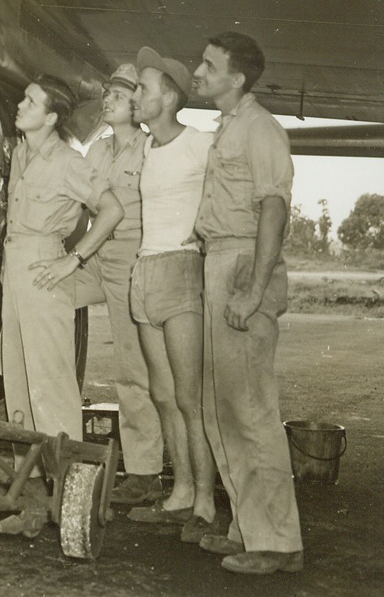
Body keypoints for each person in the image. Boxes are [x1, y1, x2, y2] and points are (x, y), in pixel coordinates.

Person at [191, 32, 303, 575]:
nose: (198, 72)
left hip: (242, 263)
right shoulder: (229, 128)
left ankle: (278, 543)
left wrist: (254, 290)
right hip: (220, 259)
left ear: (236, 78)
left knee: (251, 409)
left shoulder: (260, 128)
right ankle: (248, 528)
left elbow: (273, 208)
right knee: (223, 408)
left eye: (209, 66)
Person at [0, 75, 124, 458]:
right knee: (18, 384)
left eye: (31, 102)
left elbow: (112, 210)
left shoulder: (68, 163)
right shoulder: (21, 154)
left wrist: (73, 260)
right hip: (14, 274)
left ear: (51, 118)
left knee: (51, 386)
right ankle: (30, 478)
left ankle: (68, 481)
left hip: (43, 274)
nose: (20, 106)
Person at [126, 47, 217, 543]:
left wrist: (205, 227)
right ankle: (181, 492)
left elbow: (233, 188)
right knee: (162, 395)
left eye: (143, 88)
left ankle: (205, 501)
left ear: (169, 97)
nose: (136, 95)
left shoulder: (199, 143)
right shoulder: (146, 148)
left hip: (182, 270)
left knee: (189, 397)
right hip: (145, 271)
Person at [82, 64, 164, 507]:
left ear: (136, 104)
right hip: (94, 252)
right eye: (106, 92)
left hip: (131, 258)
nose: (106, 100)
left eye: (116, 94)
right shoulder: (97, 149)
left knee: (132, 370)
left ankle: (145, 473)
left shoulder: (150, 150)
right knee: (40, 293)